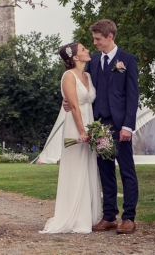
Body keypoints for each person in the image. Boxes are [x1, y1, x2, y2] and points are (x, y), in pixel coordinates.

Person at [65, 19, 139, 234]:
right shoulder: (94, 62)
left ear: (110, 37)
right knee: (105, 172)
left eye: (98, 39)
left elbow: (132, 96)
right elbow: (83, 88)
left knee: (127, 171)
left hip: (120, 126)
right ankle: (109, 217)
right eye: (94, 39)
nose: (95, 43)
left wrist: (128, 126)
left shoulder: (128, 60)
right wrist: (68, 101)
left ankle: (129, 218)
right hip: (99, 125)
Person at [40, 42, 102, 234]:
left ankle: (87, 215)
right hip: (75, 126)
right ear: (75, 57)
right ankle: (73, 217)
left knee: (87, 167)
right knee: (75, 168)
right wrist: (82, 131)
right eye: (83, 49)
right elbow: (74, 106)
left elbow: (89, 100)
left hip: (89, 121)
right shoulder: (68, 76)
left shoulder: (88, 76)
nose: (87, 51)